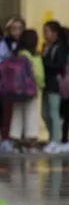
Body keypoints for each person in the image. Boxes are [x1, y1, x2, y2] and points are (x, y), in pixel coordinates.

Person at [9, 29, 42, 153]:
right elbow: (38, 75)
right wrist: (40, 85)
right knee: (31, 113)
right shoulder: (33, 56)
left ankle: (15, 141)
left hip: (16, 89)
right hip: (30, 89)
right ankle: (31, 142)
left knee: (17, 113)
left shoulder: (16, 54)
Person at [41, 21, 69, 154]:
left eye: (47, 31)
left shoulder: (60, 48)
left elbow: (58, 65)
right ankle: (53, 137)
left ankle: (55, 140)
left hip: (55, 83)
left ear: (55, 33)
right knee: (45, 113)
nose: (45, 34)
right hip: (45, 83)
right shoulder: (45, 46)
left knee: (53, 112)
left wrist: (44, 61)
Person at [0, 16, 25, 152]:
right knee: (5, 112)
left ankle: (14, 140)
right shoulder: (5, 43)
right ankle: (5, 139)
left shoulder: (25, 44)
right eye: (14, 29)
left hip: (20, 86)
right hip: (6, 84)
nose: (17, 32)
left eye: (20, 28)